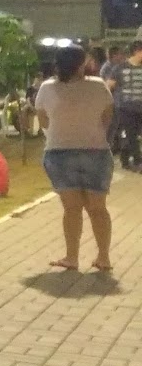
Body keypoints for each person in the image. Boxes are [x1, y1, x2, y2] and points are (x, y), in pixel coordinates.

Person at [34, 45, 116, 271]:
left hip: (59, 152)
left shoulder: (47, 88)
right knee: (98, 208)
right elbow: (107, 118)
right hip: (96, 151)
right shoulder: (98, 86)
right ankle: (103, 257)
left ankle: (72, 257)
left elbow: (43, 121)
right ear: (82, 63)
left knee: (71, 208)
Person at [113, 41, 142, 173]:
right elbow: (109, 84)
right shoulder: (120, 68)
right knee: (130, 135)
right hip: (126, 108)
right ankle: (135, 161)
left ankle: (131, 159)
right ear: (137, 51)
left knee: (133, 136)